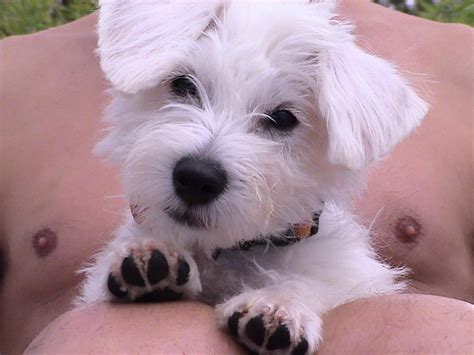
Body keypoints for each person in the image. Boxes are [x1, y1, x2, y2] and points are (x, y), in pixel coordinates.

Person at [0, 0, 472, 353]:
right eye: (185, 88)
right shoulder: (15, 75)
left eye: (281, 120)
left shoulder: (458, 62)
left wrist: (300, 297)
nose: (205, 158)